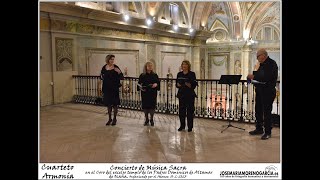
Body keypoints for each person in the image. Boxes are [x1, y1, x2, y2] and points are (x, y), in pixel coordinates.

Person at [247, 48, 278, 140]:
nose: (257, 58)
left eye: (258, 56)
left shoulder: (272, 64)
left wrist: (254, 76)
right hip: (260, 90)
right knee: (258, 110)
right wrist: (251, 77)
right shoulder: (261, 64)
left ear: (263, 55)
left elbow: (266, 77)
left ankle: (267, 132)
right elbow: (259, 75)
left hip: (268, 91)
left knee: (266, 112)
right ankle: (259, 128)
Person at [100, 54, 124, 126]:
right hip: (107, 88)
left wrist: (119, 72)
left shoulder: (116, 67)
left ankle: (114, 119)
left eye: (113, 59)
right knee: (108, 104)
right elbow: (101, 76)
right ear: (108, 60)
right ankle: (109, 118)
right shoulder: (104, 67)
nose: (112, 60)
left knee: (115, 104)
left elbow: (121, 76)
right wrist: (101, 76)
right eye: (111, 59)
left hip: (114, 88)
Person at [176, 60, 198, 132]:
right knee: (181, 111)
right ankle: (182, 126)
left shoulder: (192, 74)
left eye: (185, 64)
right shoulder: (179, 74)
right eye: (183, 64)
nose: (184, 66)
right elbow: (177, 83)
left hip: (189, 94)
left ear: (188, 66)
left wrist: (190, 85)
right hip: (182, 94)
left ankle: (190, 127)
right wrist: (178, 85)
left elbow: (194, 84)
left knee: (190, 111)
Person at [137, 62, 160, 126]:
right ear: (146, 67)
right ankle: (146, 119)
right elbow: (139, 84)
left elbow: (158, 83)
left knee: (152, 106)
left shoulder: (155, 75)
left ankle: (151, 119)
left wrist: (156, 84)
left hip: (152, 93)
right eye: (149, 65)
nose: (150, 67)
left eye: (151, 66)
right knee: (145, 107)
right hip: (145, 93)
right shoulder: (142, 75)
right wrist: (141, 88)